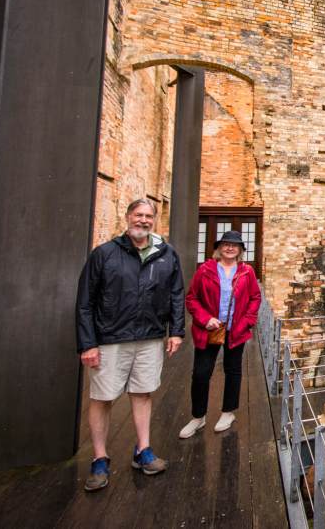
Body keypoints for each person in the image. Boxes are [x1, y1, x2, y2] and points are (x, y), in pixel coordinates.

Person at [76, 198, 185, 491]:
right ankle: (100, 458)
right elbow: (85, 302)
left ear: (154, 220)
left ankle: (143, 450)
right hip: (111, 338)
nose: (143, 220)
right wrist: (87, 344)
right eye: (139, 215)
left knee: (143, 393)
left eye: (149, 216)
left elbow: (176, 293)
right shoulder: (105, 254)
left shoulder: (166, 254)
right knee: (102, 397)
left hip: (150, 336)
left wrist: (176, 331)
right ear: (128, 217)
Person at [179, 230, 262, 438]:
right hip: (210, 329)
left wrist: (247, 321)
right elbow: (192, 299)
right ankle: (198, 416)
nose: (230, 248)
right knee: (201, 373)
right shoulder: (205, 270)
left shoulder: (247, 272)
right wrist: (205, 319)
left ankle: (228, 412)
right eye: (226, 244)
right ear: (219, 248)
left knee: (233, 370)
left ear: (240, 250)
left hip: (236, 329)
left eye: (235, 245)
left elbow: (255, 297)